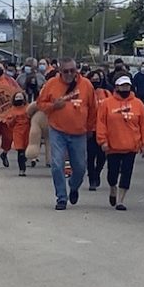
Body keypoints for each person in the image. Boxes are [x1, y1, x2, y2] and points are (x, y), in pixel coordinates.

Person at [37, 58, 97, 210]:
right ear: (60, 71)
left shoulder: (86, 85)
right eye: (66, 71)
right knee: (57, 165)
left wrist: (90, 128)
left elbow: (93, 109)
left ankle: (74, 186)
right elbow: (40, 105)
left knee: (80, 168)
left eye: (72, 70)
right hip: (58, 131)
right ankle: (61, 197)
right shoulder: (51, 84)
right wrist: (53, 106)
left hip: (79, 133)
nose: (69, 74)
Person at [97, 75, 144, 211]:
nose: (125, 88)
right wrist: (102, 140)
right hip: (113, 146)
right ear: (117, 87)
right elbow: (101, 123)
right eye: (122, 86)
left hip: (131, 146)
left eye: (127, 86)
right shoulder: (107, 103)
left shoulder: (138, 104)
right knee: (112, 174)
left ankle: (121, 200)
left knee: (127, 173)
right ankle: (113, 189)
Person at [86, 70, 111, 190]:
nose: (95, 81)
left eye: (97, 79)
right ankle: (92, 179)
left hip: (104, 131)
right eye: (93, 79)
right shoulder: (86, 94)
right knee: (90, 157)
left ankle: (97, 173)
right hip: (90, 130)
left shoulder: (106, 93)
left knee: (102, 157)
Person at [7, 91, 32, 176]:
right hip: (18, 132)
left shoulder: (28, 107)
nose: (19, 99)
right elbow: (9, 123)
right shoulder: (12, 109)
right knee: (20, 151)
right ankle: (22, 170)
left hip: (28, 131)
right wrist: (13, 119)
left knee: (26, 150)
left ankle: (30, 160)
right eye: (17, 97)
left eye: (20, 97)